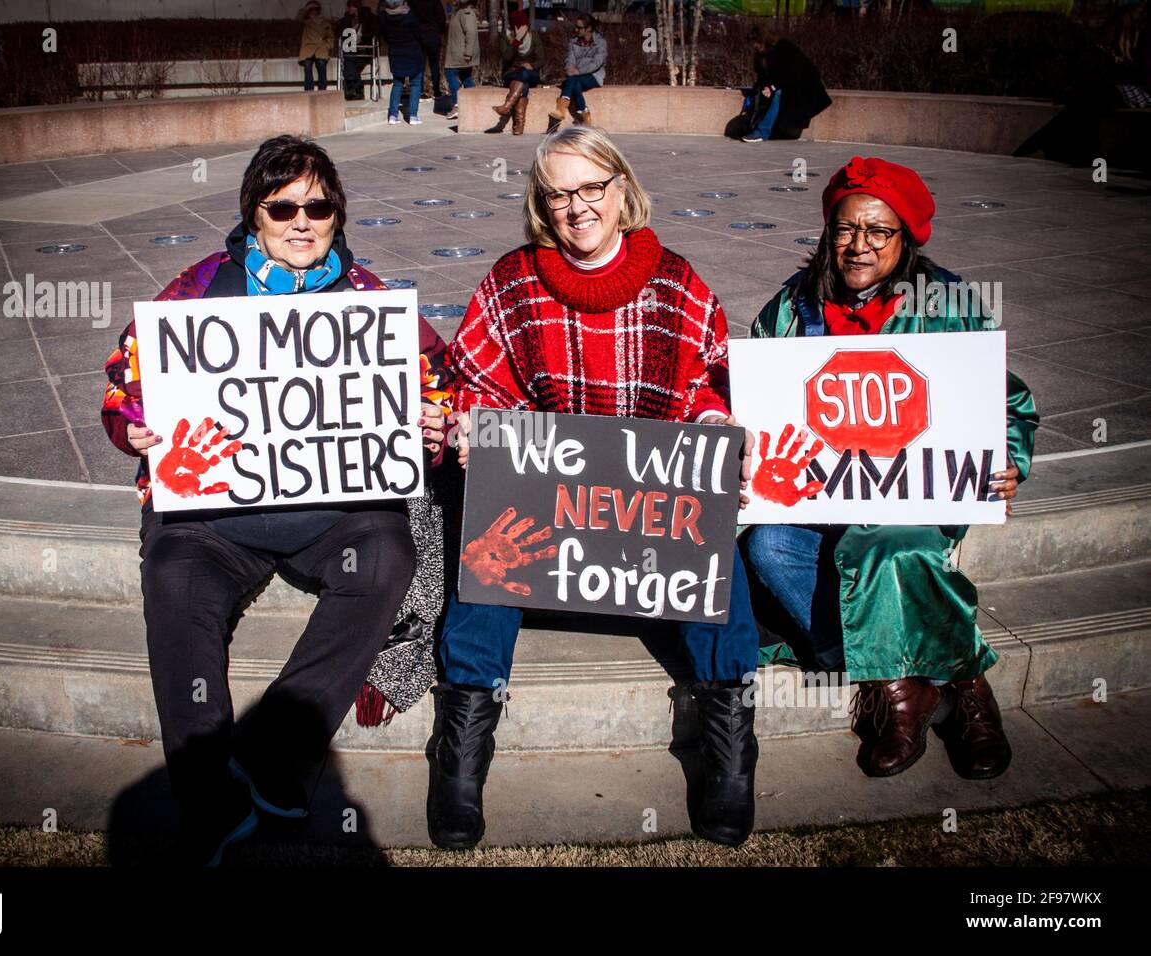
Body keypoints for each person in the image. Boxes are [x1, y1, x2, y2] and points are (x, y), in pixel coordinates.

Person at [100, 135, 453, 865]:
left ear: (337, 215)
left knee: (388, 554)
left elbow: (436, 378)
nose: (301, 220)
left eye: (318, 206)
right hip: (212, 520)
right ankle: (206, 792)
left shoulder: (370, 301)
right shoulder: (197, 289)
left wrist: (434, 423)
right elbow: (124, 377)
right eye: (282, 205)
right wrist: (130, 426)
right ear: (252, 213)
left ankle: (273, 748)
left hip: (336, 513)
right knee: (172, 575)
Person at [434, 126, 762, 851]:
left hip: (643, 512)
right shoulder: (512, 281)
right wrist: (472, 428)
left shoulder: (677, 281)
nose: (577, 208)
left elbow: (706, 387)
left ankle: (731, 735)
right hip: (547, 510)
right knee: (483, 546)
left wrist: (721, 434)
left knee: (717, 548)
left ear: (622, 192)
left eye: (592, 189)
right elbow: (476, 384)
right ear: (540, 204)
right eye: (558, 194)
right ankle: (462, 734)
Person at [743, 156, 1038, 781]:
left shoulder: (951, 304)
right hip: (818, 498)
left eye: (879, 231)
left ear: (905, 239)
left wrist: (1008, 460)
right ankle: (929, 679)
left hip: (916, 497)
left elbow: (1007, 402)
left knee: (889, 546)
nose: (859, 246)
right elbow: (756, 408)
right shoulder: (791, 310)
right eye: (846, 229)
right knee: (767, 548)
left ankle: (915, 695)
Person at [739, 26, 830, 143]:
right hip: (785, 84)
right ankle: (759, 127)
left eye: (756, 44)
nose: (754, 48)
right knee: (762, 94)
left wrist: (772, 87)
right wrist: (765, 87)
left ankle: (763, 132)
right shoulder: (761, 56)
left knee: (778, 94)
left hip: (803, 86)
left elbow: (790, 74)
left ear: (763, 41)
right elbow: (764, 76)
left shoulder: (784, 48)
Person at [490, 9, 544, 135]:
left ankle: (506, 107)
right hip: (511, 73)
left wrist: (532, 65)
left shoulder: (534, 36)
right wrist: (517, 40)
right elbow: (507, 57)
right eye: (520, 26)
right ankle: (519, 125)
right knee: (522, 82)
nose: (524, 29)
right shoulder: (505, 36)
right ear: (514, 26)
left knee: (524, 73)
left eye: (525, 26)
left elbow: (542, 59)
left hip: (531, 73)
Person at [548, 12, 606, 128]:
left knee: (572, 80)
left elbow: (597, 63)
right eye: (576, 27)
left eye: (579, 28)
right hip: (576, 76)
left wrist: (578, 71)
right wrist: (570, 68)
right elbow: (569, 59)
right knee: (575, 84)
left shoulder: (600, 42)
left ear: (588, 28)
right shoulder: (573, 42)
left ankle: (561, 109)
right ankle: (584, 113)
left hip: (594, 76)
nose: (576, 30)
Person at [378, 0, 425, 124]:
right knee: (415, 83)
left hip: (395, 51)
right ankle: (413, 116)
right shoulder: (410, 16)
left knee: (397, 83)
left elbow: (385, 36)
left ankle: (393, 115)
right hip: (413, 52)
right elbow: (420, 34)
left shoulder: (383, 17)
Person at [443, 0, 479, 121]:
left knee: (450, 73)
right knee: (466, 77)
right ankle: (473, 104)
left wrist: (468, 53)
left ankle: (458, 105)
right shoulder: (459, 12)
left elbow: (471, 33)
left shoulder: (466, 13)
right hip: (458, 53)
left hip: (461, 54)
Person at [338, 0, 379, 101]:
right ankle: (357, 89)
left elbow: (376, 32)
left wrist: (361, 36)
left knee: (350, 63)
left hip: (365, 48)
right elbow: (339, 32)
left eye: (349, 7)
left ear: (354, 7)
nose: (348, 10)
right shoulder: (347, 19)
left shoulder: (369, 17)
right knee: (349, 59)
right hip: (352, 49)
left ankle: (354, 89)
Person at [408, 0, 447, 99]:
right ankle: (436, 91)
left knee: (419, 65)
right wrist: (440, 30)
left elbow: (409, 16)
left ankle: (419, 91)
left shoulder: (412, 2)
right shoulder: (435, 1)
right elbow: (441, 18)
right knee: (434, 64)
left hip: (418, 35)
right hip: (432, 34)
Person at [298, 0, 335, 92]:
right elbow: (298, 17)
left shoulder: (325, 22)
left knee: (321, 64)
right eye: (311, 9)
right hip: (308, 48)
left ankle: (322, 89)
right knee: (307, 65)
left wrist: (327, 46)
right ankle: (309, 90)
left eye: (315, 9)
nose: (313, 11)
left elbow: (331, 37)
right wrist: (306, 8)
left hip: (321, 48)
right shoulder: (306, 21)